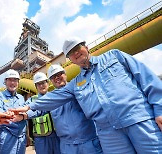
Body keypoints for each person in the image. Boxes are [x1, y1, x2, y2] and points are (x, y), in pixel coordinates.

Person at [10, 38, 162, 153]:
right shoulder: (75, 85)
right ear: (70, 59)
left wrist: (159, 109)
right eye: (71, 53)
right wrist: (26, 109)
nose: (75, 53)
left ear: (86, 47)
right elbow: (48, 102)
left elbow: (146, 78)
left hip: (139, 120)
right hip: (109, 134)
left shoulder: (114, 56)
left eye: (78, 48)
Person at [46, 64, 103, 154]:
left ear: (65, 74)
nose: (57, 78)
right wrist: (24, 115)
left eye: (59, 74)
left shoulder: (78, 87)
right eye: (53, 77)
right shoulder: (50, 97)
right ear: (50, 81)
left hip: (89, 142)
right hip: (67, 146)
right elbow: (38, 109)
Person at [24, 72, 61, 154]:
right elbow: (25, 118)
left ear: (48, 83)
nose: (41, 86)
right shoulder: (31, 100)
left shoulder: (55, 96)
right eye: (38, 84)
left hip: (57, 137)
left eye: (43, 82)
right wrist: (27, 135)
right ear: (36, 87)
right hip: (41, 139)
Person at [0, 69, 27, 154]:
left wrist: (27, 135)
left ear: (18, 82)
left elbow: (25, 117)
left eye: (15, 80)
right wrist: (6, 114)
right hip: (7, 136)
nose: (12, 83)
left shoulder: (21, 98)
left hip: (21, 137)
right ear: (5, 81)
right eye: (10, 80)